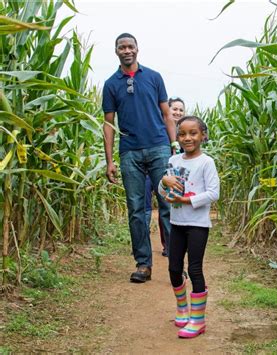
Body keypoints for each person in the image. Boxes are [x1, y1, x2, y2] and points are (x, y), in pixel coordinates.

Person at [102, 33, 180, 283]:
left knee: (168, 204)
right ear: (116, 52)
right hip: (130, 152)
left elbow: (167, 115)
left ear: (137, 49)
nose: (127, 50)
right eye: (122, 47)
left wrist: (174, 146)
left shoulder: (154, 77)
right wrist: (110, 160)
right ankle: (143, 265)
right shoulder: (111, 84)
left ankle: (176, 264)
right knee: (136, 210)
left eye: (130, 46)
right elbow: (108, 124)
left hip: (159, 148)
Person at [159, 116, 219, 338]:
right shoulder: (174, 160)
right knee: (174, 269)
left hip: (197, 225)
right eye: (182, 134)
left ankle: (198, 320)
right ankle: (182, 309)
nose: (188, 138)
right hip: (177, 223)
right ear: (177, 137)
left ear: (203, 135)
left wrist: (186, 201)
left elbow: (214, 193)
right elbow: (166, 190)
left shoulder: (206, 162)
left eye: (193, 133)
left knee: (194, 269)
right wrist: (165, 184)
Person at [145, 97, 186, 257]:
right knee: (147, 208)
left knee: (168, 208)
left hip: (175, 174)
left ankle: (170, 246)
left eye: (181, 110)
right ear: (167, 111)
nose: (177, 112)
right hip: (152, 171)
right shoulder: (159, 128)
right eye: (174, 109)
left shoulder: (186, 131)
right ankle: (144, 246)